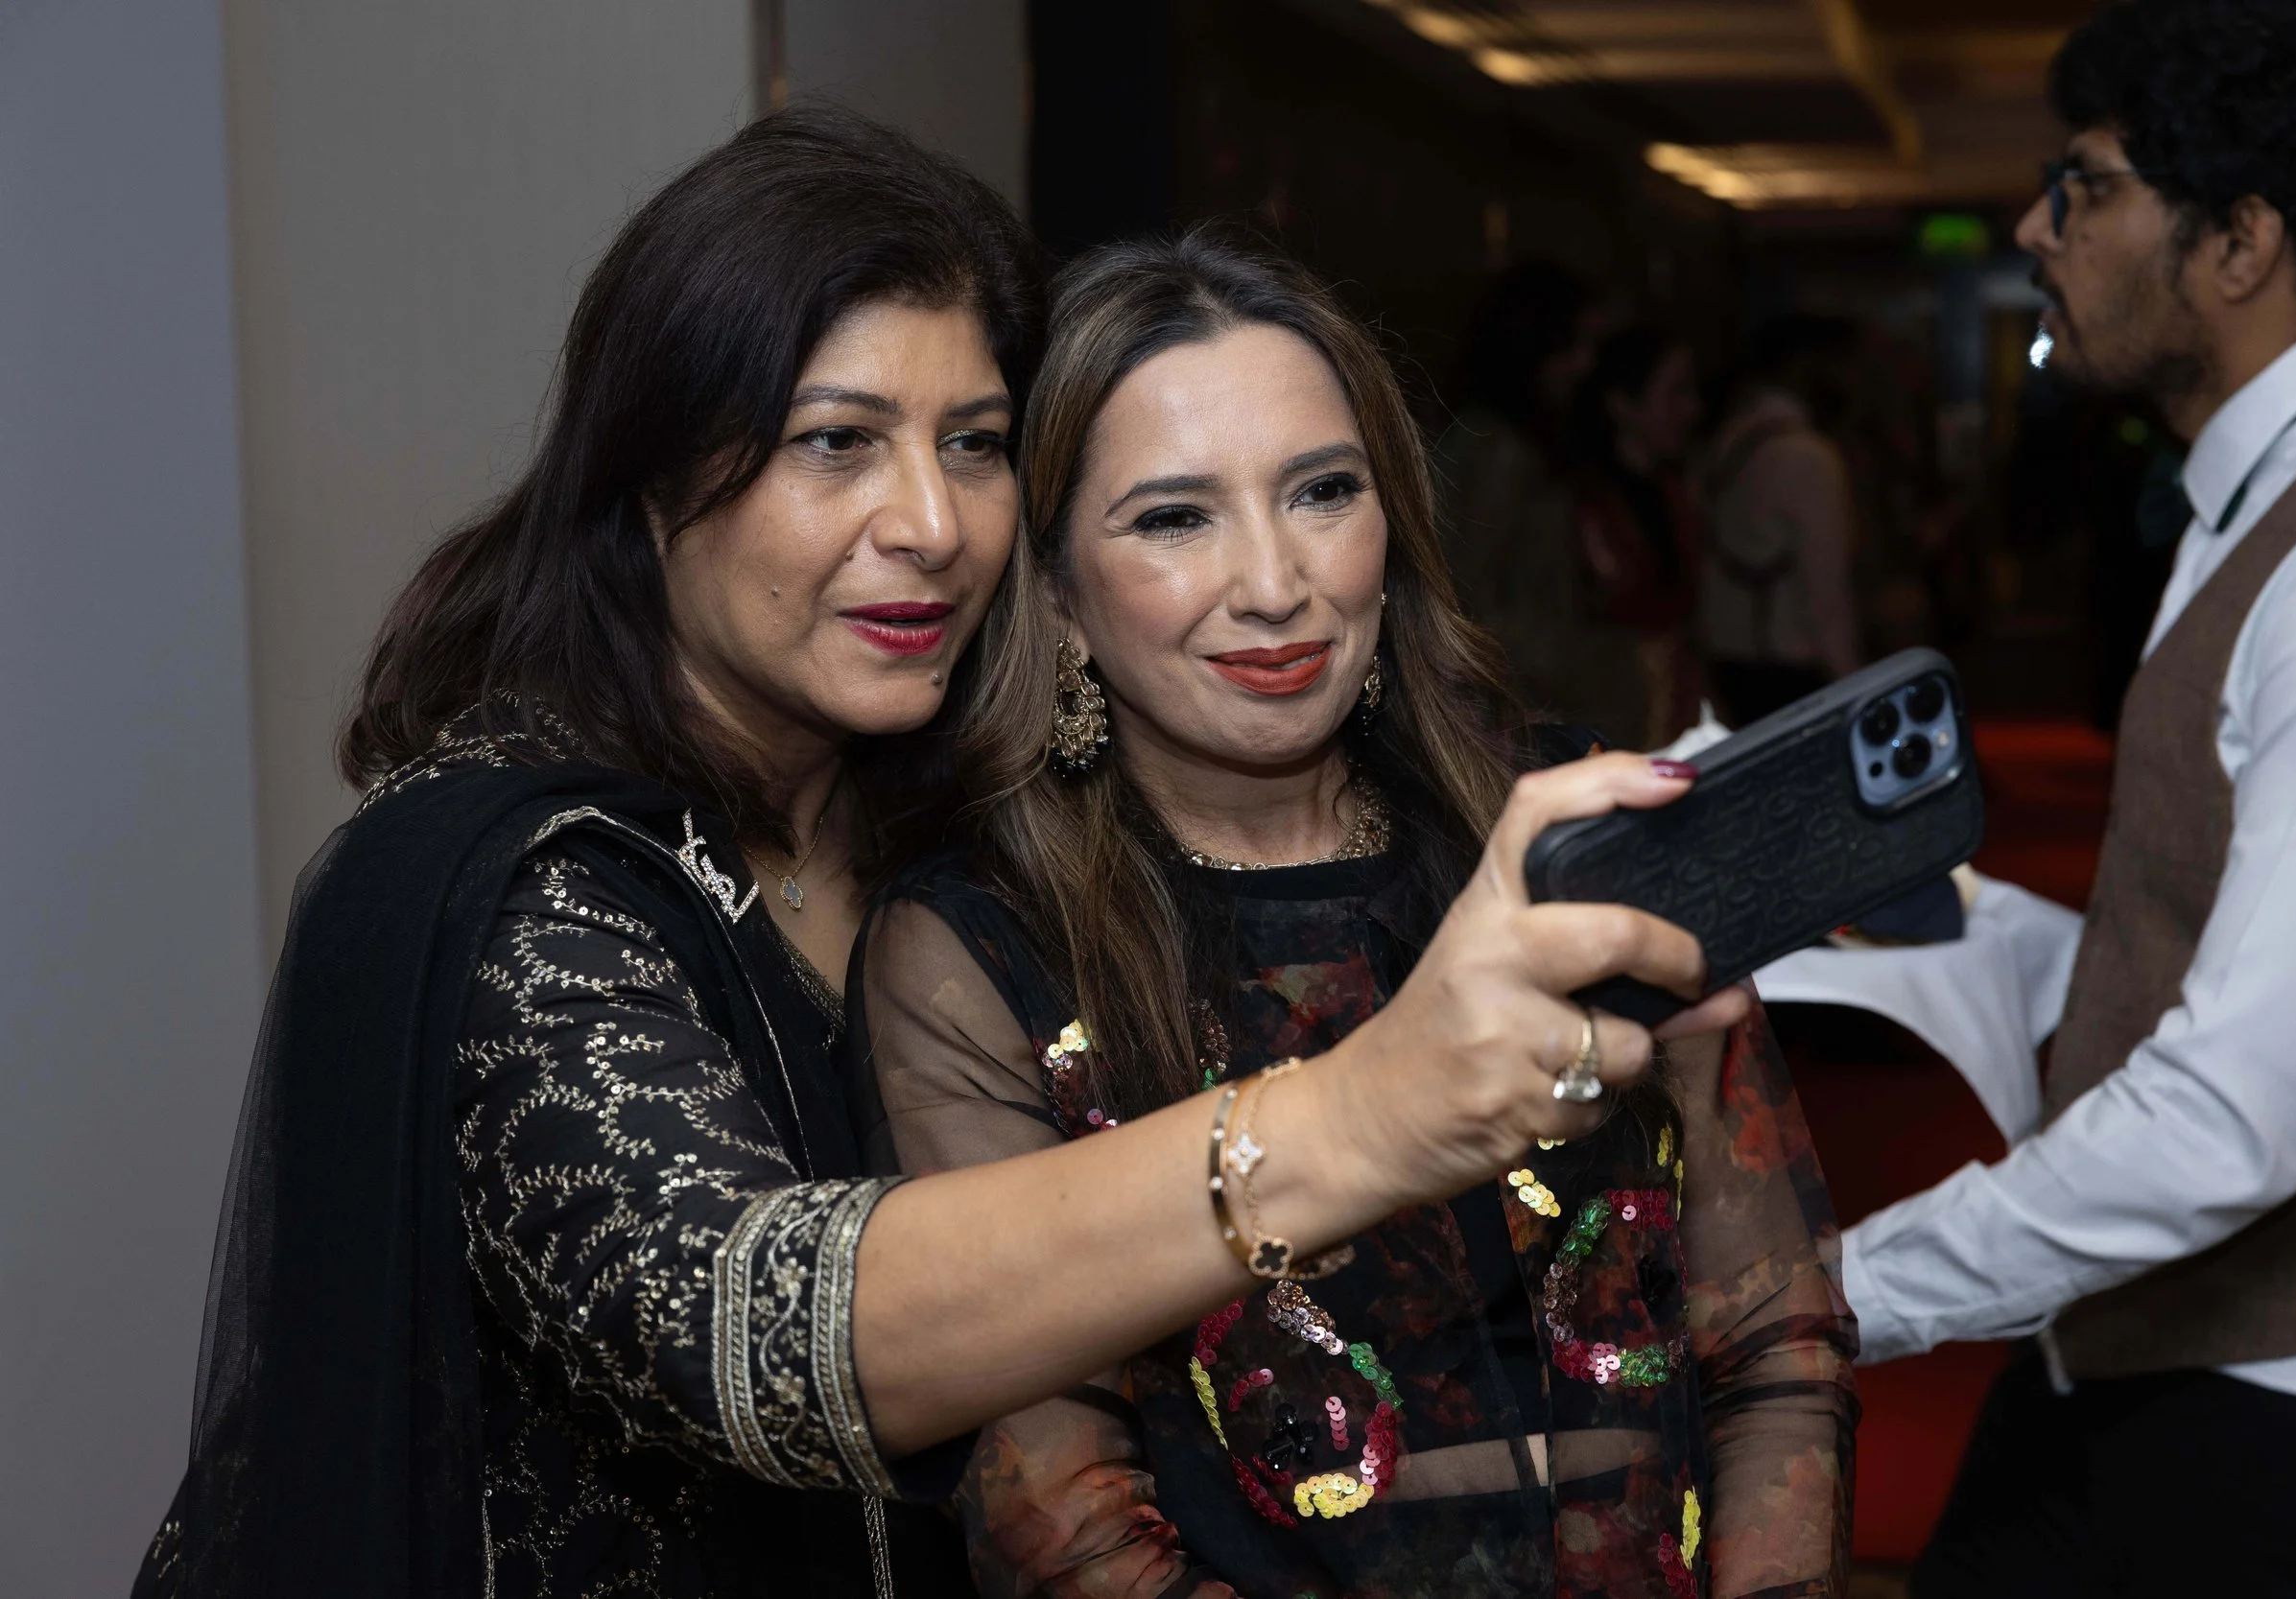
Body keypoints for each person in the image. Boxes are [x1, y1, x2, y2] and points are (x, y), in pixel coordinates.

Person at [134, 112, 1741, 1599]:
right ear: (651, 475)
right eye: (838, 442)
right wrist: (1370, 1110)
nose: (933, 523)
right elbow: (757, 1325)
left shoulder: (942, 816)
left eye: (974, 444)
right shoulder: (511, 885)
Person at [854, 231, 1856, 1599]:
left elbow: (1777, 1340)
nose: (1277, 583)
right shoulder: (982, 945)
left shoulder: (1569, 828)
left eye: (1324, 490)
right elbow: (1066, 1527)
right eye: (1174, 518)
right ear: (1058, 596)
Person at [1836, 4, 2296, 1594]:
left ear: (2240, 241)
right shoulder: (2274, 491)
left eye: (2081, 184)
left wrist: (1838, 1287)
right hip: (2166, 1353)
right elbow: (2239, 928)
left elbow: (2234, 1116)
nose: (2035, 228)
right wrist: (1943, 920)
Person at [1433, 263, 1625, 730]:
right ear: (1530, 346)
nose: (1585, 364)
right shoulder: (1497, 448)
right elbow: (1466, 591)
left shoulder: (1523, 438)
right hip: (1512, 697)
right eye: (1571, 346)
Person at [1696, 315, 1863, 726]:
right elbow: (1827, 601)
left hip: (1725, 663)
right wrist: (1856, 691)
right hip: (1790, 671)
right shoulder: (1807, 456)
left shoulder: (1724, 440)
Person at [1570, 326, 1708, 748]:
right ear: (1622, 405)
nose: (1692, 410)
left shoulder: (1676, 491)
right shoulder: (1578, 502)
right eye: (1676, 392)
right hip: (1607, 712)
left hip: (1674, 706)